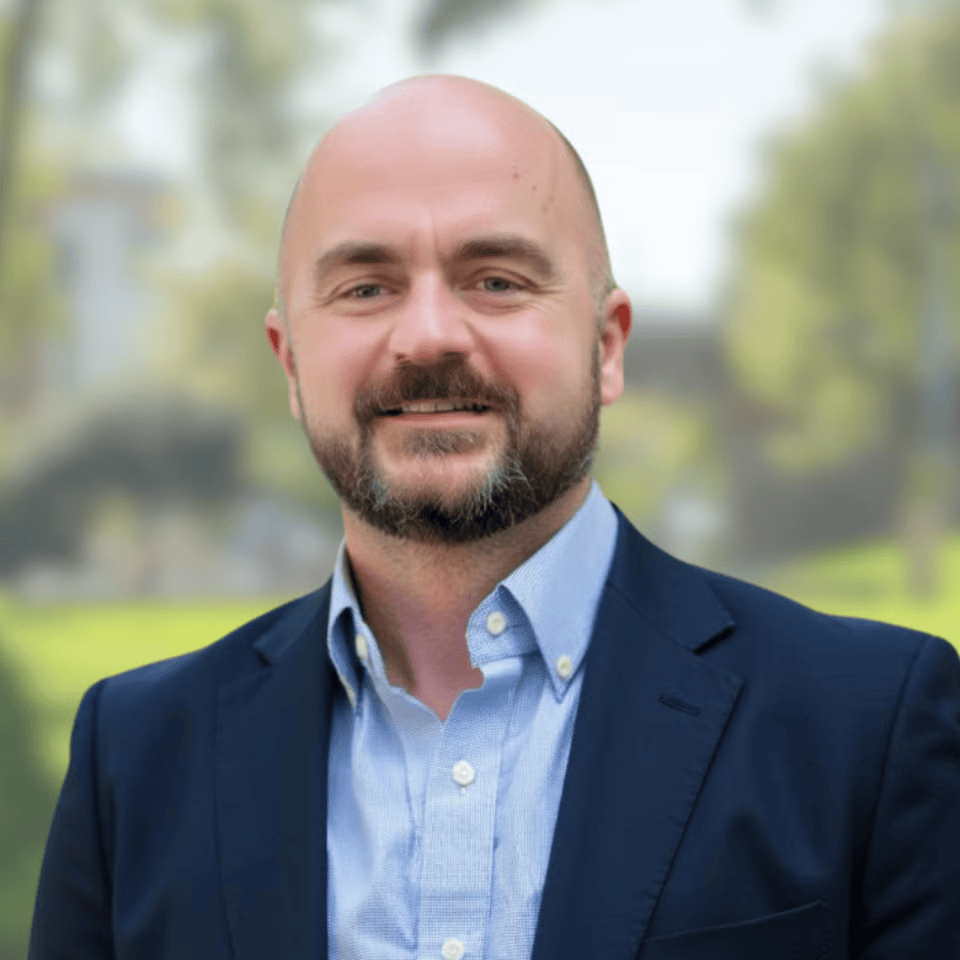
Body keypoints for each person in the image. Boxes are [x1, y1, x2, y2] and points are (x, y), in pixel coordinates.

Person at [29, 75, 960, 960]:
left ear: (605, 346)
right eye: (365, 287)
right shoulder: (136, 756)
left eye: (498, 280)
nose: (429, 333)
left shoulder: (867, 728)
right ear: (289, 363)